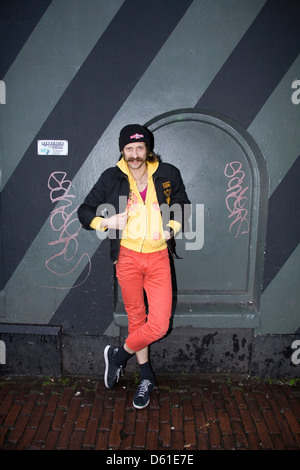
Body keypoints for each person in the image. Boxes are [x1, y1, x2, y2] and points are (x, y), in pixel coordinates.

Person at [78, 124, 190, 409]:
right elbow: (84, 212)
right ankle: (145, 377)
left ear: (148, 149)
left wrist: (172, 227)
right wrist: (106, 222)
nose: (135, 154)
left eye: (140, 148)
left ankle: (117, 356)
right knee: (136, 317)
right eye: (129, 148)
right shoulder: (111, 177)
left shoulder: (167, 174)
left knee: (160, 323)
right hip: (126, 257)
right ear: (122, 150)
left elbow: (182, 202)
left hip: (157, 257)